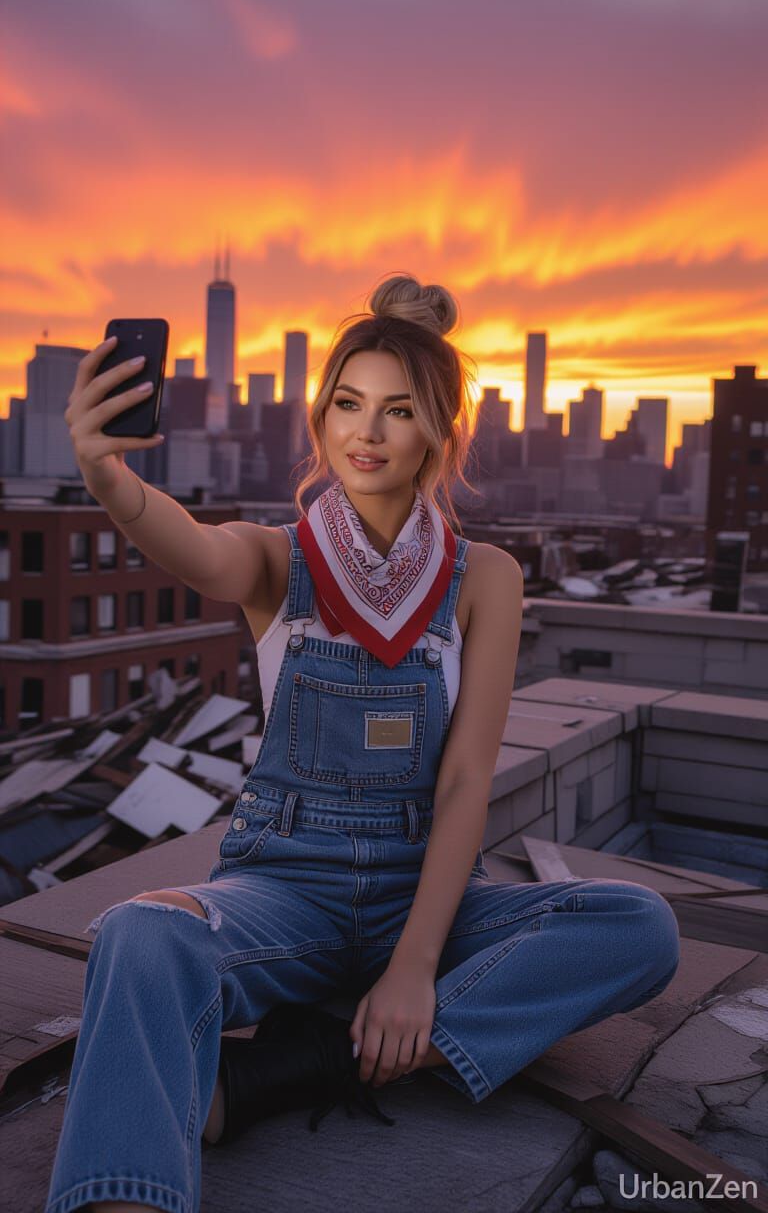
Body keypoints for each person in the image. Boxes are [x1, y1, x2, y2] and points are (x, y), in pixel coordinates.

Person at [46, 273, 681, 1213]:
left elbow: (467, 780)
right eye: (347, 404)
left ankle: (295, 1069)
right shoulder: (277, 558)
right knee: (141, 936)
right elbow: (191, 546)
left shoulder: (485, 579)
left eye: (396, 410)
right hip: (282, 886)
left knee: (639, 927)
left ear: (437, 431)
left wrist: (416, 967)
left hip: (424, 892)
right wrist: (108, 474)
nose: (366, 432)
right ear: (320, 418)